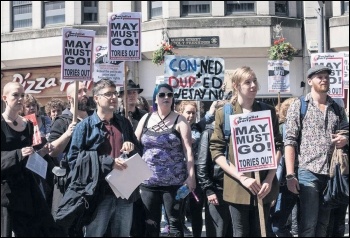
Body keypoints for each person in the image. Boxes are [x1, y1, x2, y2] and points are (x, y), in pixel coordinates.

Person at [210, 66, 283, 237]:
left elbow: (277, 146)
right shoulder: (224, 114)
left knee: (261, 231)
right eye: (247, 82)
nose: (253, 86)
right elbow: (216, 152)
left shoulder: (267, 111)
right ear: (236, 86)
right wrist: (242, 177)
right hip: (237, 187)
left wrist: (269, 179)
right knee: (240, 232)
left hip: (263, 185)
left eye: (254, 81)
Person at [66, 78, 141, 237]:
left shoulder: (124, 123)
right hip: (98, 193)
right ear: (97, 98)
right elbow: (73, 159)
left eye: (115, 93)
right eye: (108, 94)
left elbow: (139, 149)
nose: (114, 97)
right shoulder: (84, 126)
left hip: (124, 192)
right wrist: (108, 163)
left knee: (123, 234)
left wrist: (131, 146)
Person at [284, 65, 349, 237]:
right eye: (319, 77)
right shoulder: (299, 106)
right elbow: (289, 141)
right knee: (308, 223)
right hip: (308, 172)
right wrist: (290, 175)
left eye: (327, 76)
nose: (324, 79)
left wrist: (345, 139)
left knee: (323, 224)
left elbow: (346, 131)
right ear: (310, 81)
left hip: (331, 174)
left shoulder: (337, 107)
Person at [1, 82, 64, 237]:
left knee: (39, 229)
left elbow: (30, 158)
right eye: (15, 95)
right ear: (5, 98)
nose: (20, 99)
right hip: (5, 190)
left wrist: (42, 151)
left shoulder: (28, 124)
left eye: (22, 95)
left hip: (27, 187)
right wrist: (18, 153)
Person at [134, 83, 196, 237]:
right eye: (162, 95)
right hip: (148, 182)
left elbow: (188, 150)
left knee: (175, 224)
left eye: (169, 94)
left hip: (174, 183)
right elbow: (134, 144)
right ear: (156, 98)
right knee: (150, 224)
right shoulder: (146, 118)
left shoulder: (180, 120)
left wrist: (191, 177)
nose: (166, 97)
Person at [48, 81, 91, 231]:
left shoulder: (94, 118)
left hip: (93, 182)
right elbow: (52, 151)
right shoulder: (62, 121)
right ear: (69, 97)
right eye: (79, 91)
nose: (84, 94)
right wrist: (67, 134)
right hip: (70, 183)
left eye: (85, 90)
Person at [176, 100, 217, 237]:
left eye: (193, 113)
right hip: (179, 174)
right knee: (177, 209)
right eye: (188, 112)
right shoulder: (174, 128)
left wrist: (213, 106)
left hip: (196, 175)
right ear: (181, 113)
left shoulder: (198, 128)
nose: (191, 116)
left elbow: (208, 117)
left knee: (196, 209)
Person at [197, 100, 233, 237]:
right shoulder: (208, 132)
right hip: (217, 189)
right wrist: (209, 189)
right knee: (218, 231)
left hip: (235, 188)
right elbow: (201, 164)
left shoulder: (236, 130)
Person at [270, 97, 299, 237]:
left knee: (280, 225)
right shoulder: (280, 130)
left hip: (293, 182)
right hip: (279, 182)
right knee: (276, 225)